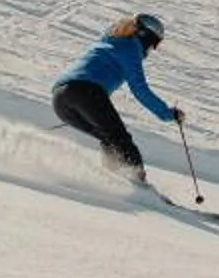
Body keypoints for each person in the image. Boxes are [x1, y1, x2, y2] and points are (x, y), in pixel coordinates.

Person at [52, 12, 182, 182]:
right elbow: (140, 89)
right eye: (154, 43)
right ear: (146, 36)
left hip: (60, 98)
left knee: (109, 138)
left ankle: (113, 179)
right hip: (85, 92)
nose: (152, 49)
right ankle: (138, 185)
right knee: (121, 140)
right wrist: (168, 113)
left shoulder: (109, 40)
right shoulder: (130, 47)